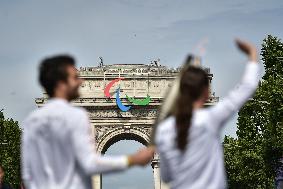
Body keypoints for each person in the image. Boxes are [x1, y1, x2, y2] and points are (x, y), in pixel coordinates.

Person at [21, 55, 154, 189]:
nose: (81, 81)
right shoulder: (75, 116)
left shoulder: (31, 121)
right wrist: (132, 160)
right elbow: (89, 163)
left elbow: (28, 173)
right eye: (75, 78)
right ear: (61, 84)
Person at [154, 39, 260, 189]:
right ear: (206, 91)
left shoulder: (164, 130)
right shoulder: (211, 118)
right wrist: (252, 53)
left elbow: (165, 176)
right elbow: (247, 87)